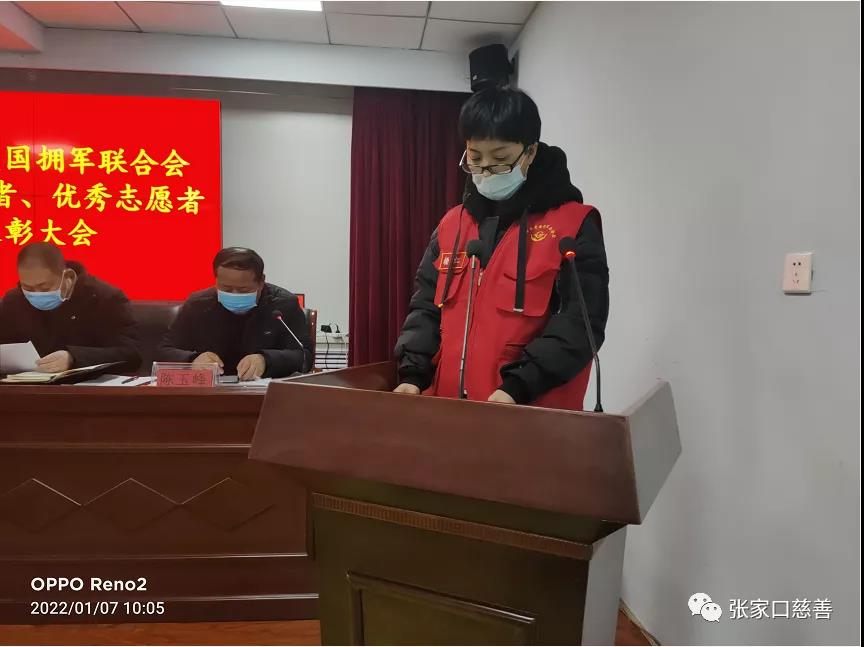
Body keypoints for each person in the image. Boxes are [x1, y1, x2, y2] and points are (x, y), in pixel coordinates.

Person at [393, 88, 609, 410]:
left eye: (500, 160)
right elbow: (425, 307)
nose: (486, 171)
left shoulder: (572, 225)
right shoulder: (453, 225)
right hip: (447, 413)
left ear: (530, 152)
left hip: (528, 414)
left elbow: (581, 322)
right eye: (475, 158)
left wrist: (518, 386)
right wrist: (413, 374)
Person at [158, 247, 312, 380]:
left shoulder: (283, 304)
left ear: (261, 282)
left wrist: (267, 359)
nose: (234, 294)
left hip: (265, 392)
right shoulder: (197, 304)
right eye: (226, 288)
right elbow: (164, 351)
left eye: (243, 289)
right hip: (209, 392)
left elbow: (304, 356)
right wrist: (192, 360)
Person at [0, 243, 141, 373]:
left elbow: (131, 355)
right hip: (25, 386)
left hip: (88, 386)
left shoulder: (105, 298)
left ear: (67, 277)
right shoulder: (14, 301)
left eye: (45, 287)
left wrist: (73, 357)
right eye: (28, 288)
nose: (37, 294)